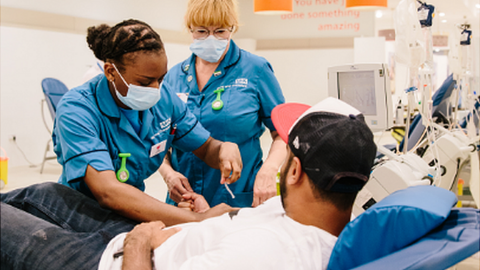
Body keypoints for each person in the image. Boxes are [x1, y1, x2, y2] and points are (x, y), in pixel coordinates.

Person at [1, 97, 377, 270]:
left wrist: (139, 242)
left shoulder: (263, 255)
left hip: (111, 259)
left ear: (294, 172)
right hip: (151, 237)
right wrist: (211, 219)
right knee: (43, 193)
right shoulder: (313, 215)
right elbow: (242, 221)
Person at [52, 19, 242, 225]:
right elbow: (108, 192)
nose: (155, 89)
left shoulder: (165, 99)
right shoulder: (77, 109)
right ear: (110, 72)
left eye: (160, 79)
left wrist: (224, 149)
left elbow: (205, 148)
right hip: (79, 216)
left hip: (129, 212)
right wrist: (197, 219)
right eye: (144, 82)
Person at [159, 0, 286, 208]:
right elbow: (158, 139)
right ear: (189, 29)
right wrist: (168, 174)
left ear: (232, 29)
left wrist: (270, 169)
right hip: (183, 202)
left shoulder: (256, 70)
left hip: (236, 197)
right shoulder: (173, 77)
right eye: (201, 31)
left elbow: (282, 133)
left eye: (220, 31)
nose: (210, 38)